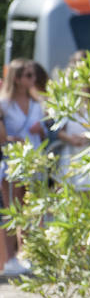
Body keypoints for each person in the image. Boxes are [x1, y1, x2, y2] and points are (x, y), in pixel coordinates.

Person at [1, 59, 47, 277]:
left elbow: (49, 132)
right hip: (13, 163)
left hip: (35, 161)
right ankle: (10, 259)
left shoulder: (38, 104)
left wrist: (43, 129)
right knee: (14, 212)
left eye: (33, 75)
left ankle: (29, 255)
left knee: (32, 212)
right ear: (17, 79)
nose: (33, 79)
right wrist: (11, 139)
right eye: (28, 75)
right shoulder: (4, 104)